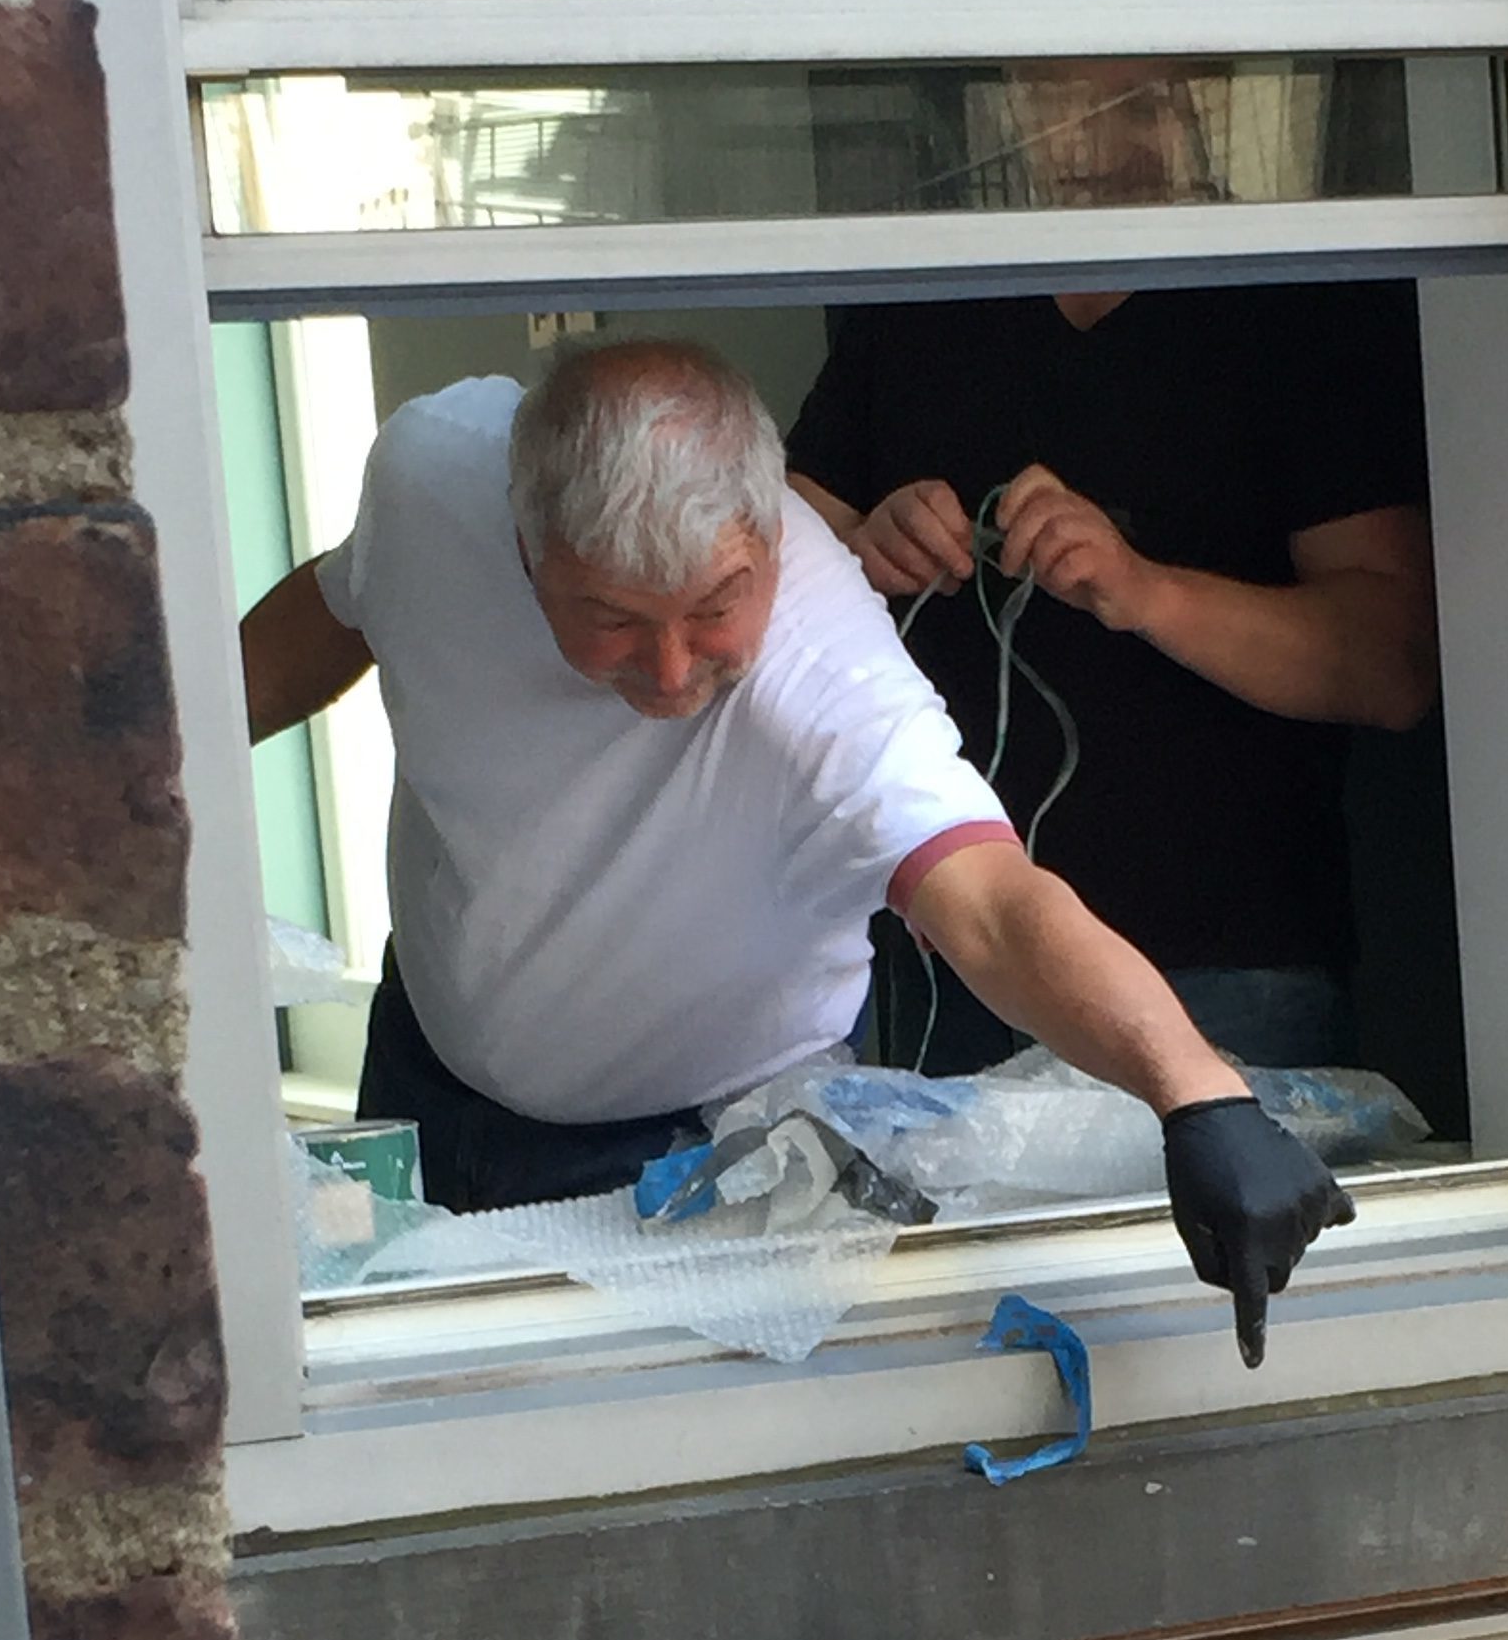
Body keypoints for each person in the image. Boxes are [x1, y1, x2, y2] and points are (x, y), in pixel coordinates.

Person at [239, 339, 1350, 1366]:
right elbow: (346, 604)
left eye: (717, 606)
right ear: (524, 548)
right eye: (612, 617)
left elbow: (992, 904)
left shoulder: (826, 661)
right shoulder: (433, 479)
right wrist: (133, 736)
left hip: (696, 1159)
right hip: (423, 1070)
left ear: (771, 535)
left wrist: (1198, 1096)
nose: (672, 671)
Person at [785, 278, 1437, 1077]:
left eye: (1134, 136)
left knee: (1240, 1196)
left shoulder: (1289, 305)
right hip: (962, 958)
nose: (1086, 147)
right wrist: (859, 544)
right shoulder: (929, 289)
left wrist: (1146, 592)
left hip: (1227, 962)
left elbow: (1394, 662)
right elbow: (768, 549)